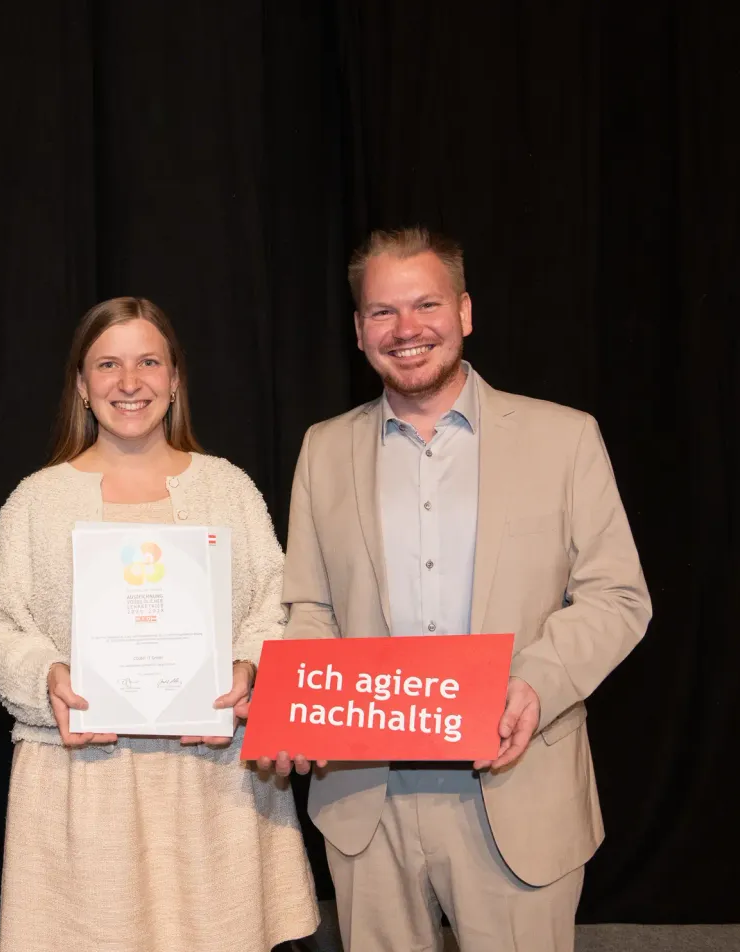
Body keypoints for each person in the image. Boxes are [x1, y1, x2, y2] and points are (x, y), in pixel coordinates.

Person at [262, 227, 651, 951]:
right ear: (357, 329)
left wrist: (536, 681)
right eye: (382, 312)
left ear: (465, 313)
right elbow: (310, 606)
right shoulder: (323, 448)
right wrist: (301, 710)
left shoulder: (564, 438)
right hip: (365, 800)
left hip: (514, 791)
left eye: (426, 305)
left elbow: (617, 596)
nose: (407, 330)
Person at [0, 296, 320, 952]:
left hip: (212, 789)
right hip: (82, 789)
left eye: (149, 361)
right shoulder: (37, 500)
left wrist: (247, 667)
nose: (130, 383)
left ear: (176, 377)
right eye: (108, 365)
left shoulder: (228, 490)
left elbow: (278, 606)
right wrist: (46, 677)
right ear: (81, 384)